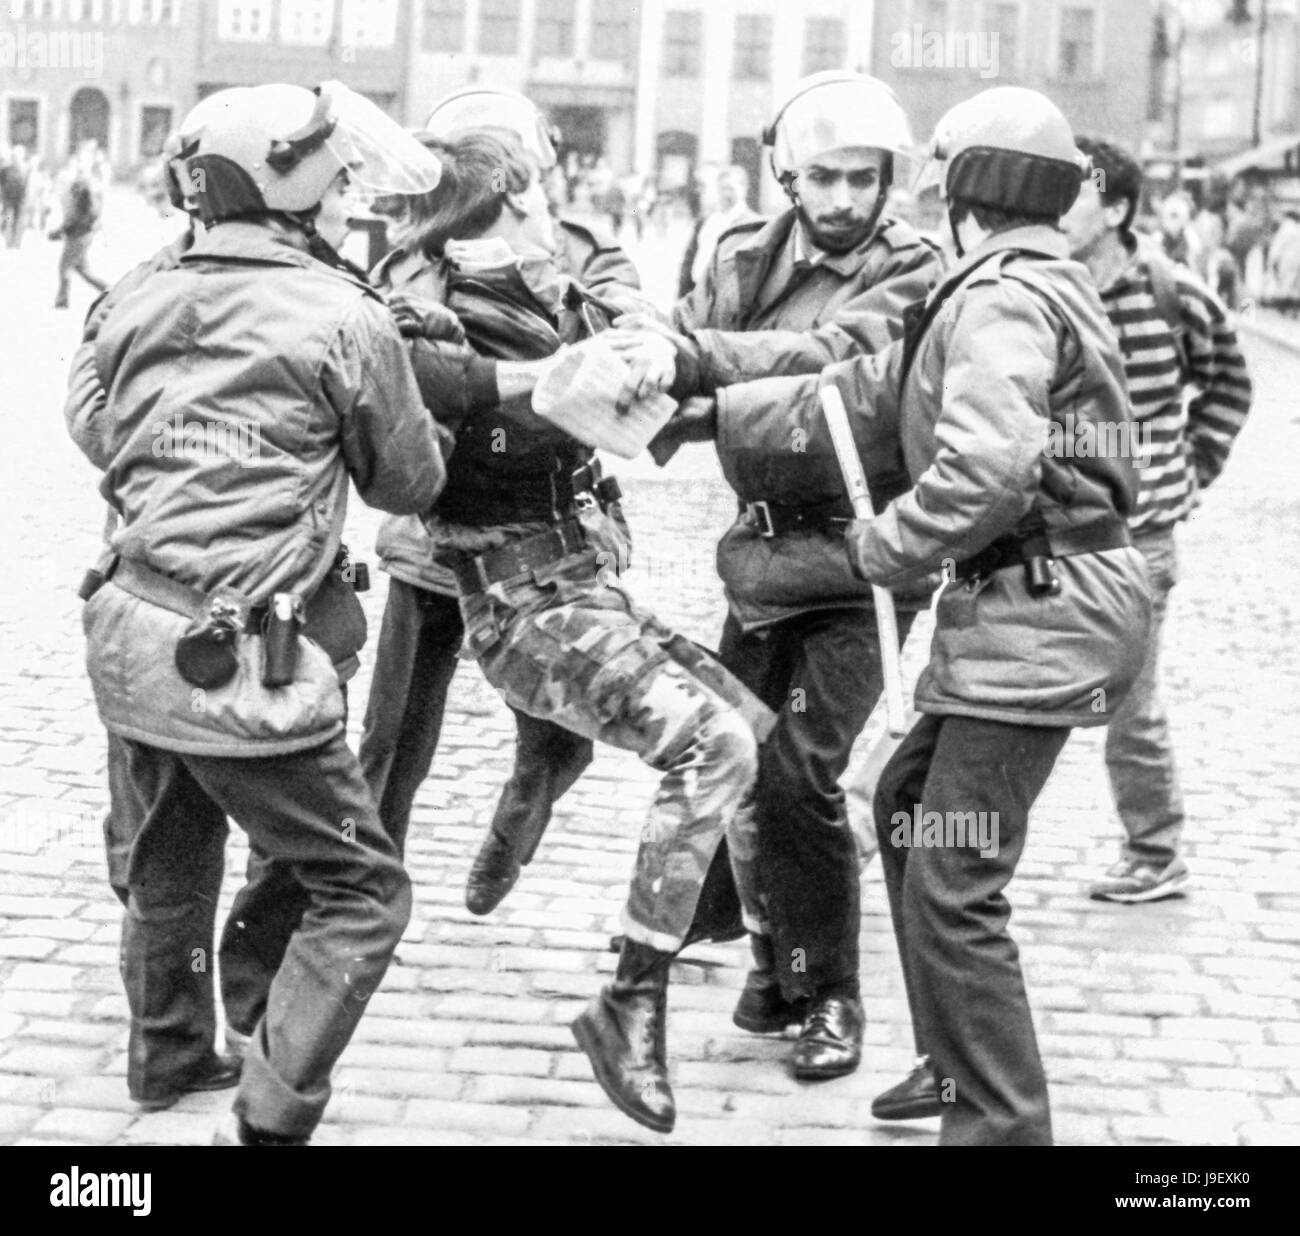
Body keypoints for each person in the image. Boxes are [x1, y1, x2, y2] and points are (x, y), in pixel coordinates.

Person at [690, 86, 1152, 1144]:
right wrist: (695, 382)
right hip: (1031, 607)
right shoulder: (1010, 277)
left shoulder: (1001, 296)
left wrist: (873, 548)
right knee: (906, 800)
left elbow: (990, 463)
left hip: (1045, 611)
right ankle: (952, 1067)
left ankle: (997, 1122)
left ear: (965, 187)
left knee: (954, 877)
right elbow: (859, 384)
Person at [64, 81, 446, 1146]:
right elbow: (406, 483)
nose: (344, 200)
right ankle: (274, 1110)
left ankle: (169, 1052)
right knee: (360, 889)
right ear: (298, 185)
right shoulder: (344, 314)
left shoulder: (136, 291)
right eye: (334, 183)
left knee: (168, 860)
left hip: (134, 630)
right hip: (244, 662)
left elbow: (96, 427)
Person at [387, 127, 771, 1133]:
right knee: (713, 742)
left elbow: (633, 315)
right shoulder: (423, 311)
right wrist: (554, 377)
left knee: (758, 735)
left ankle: (766, 952)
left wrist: (636, 353)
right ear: (502, 202)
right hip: (521, 604)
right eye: (537, 194)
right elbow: (436, 383)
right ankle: (628, 999)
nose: (556, 209)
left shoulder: (554, 278)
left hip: (584, 582)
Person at [605, 71, 943, 1080]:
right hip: (758, 553)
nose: (843, 200)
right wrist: (630, 357)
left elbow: (831, 359)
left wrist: (690, 362)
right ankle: (773, 960)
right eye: (823, 177)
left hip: (861, 558)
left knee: (800, 771)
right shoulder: (743, 252)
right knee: (738, 761)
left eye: (862, 178)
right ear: (786, 173)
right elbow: (682, 326)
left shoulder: (913, 267)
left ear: (890, 178)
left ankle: (829, 995)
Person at [359, 88, 650, 918]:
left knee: (559, 734)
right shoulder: (415, 258)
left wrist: (596, 306)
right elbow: (414, 365)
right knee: (395, 737)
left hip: (544, 526)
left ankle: (523, 807)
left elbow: (628, 312)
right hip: (438, 533)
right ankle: (368, 896)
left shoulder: (577, 245)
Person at [1064, 138, 1254, 903]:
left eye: (1071, 192)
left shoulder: (1171, 291)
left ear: (1115, 208)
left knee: (1130, 708)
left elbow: (1229, 386)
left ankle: (1155, 853)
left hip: (1137, 542)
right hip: (1055, 535)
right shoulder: (1046, 287)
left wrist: (1188, 470)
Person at [679, 166, 760, 298]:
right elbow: (689, 261)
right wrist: (682, 296)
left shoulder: (753, 224)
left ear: (744, 190)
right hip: (696, 294)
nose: (726, 194)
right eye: (722, 188)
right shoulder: (707, 221)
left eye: (731, 189)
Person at [52, 143, 108, 308]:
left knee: (64, 267)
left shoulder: (81, 186)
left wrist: (62, 230)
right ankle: (108, 290)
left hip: (78, 234)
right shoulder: (90, 185)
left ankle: (62, 301)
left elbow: (75, 215)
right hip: (85, 233)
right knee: (82, 269)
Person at [1, 143, 30, 248]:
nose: (15, 158)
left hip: (19, 200)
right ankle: (9, 240)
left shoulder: (26, 168)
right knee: (8, 219)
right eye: (14, 156)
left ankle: (16, 242)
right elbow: (1, 184)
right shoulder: (5, 169)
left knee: (18, 221)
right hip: (8, 201)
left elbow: (26, 185)